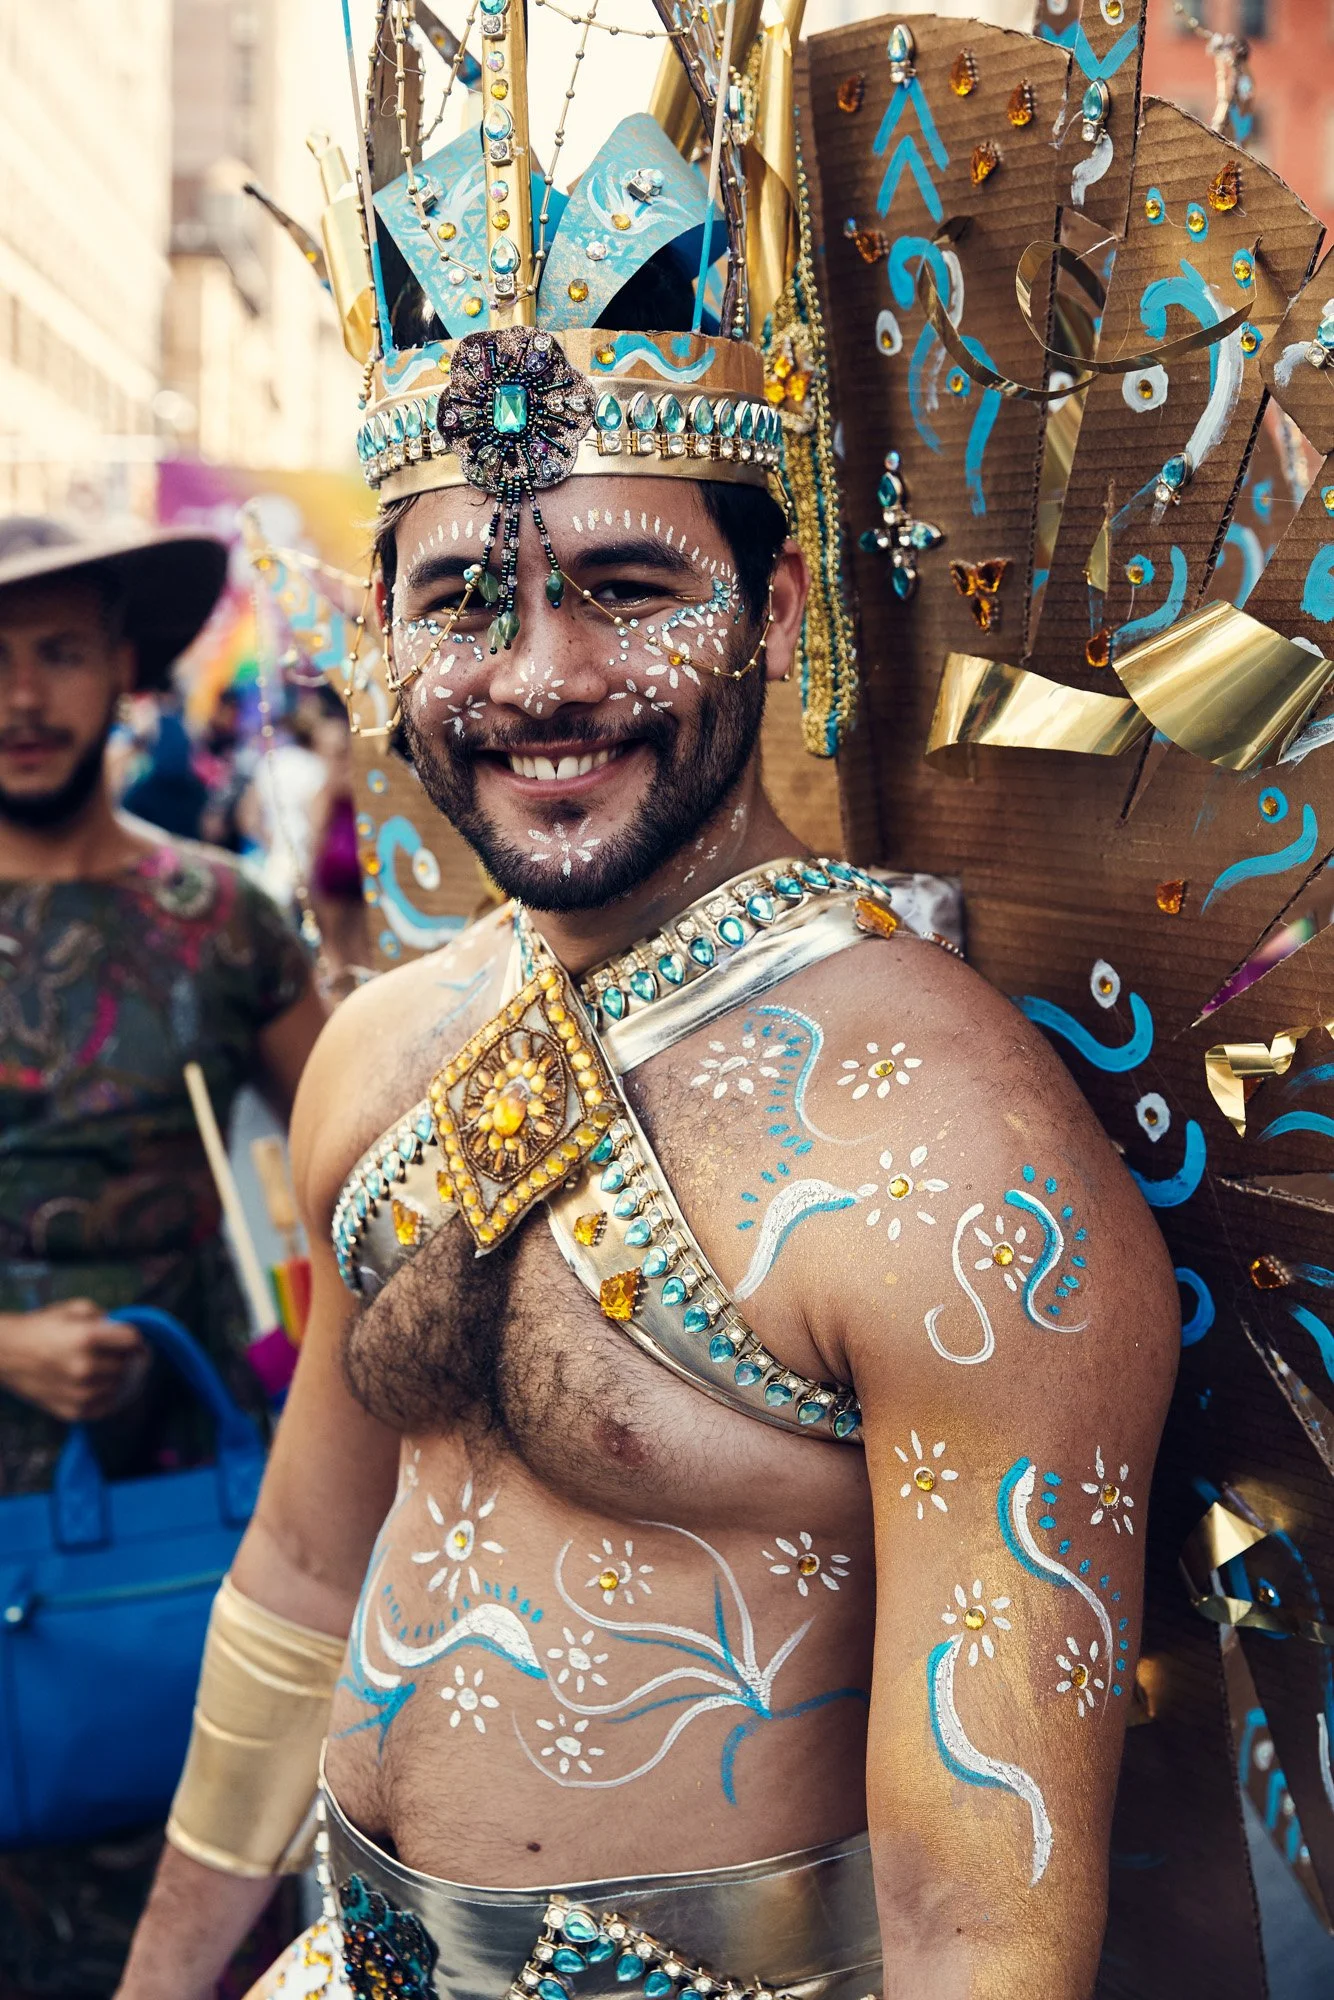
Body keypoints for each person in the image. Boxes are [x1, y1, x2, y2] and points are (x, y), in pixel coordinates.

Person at [115, 16, 1181, 1994]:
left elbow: (988, 1915)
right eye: (463, 601)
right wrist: (168, 1971)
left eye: (625, 585)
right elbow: (299, 1574)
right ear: (383, 637)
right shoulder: (386, 1045)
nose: (537, 677)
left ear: (773, 612)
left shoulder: (954, 1162)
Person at [0, 514, 326, 1992]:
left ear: (124, 665)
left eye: (58, 653)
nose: (20, 697)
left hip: (190, 1498)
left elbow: (350, 1168)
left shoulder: (220, 914)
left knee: (193, 1896)